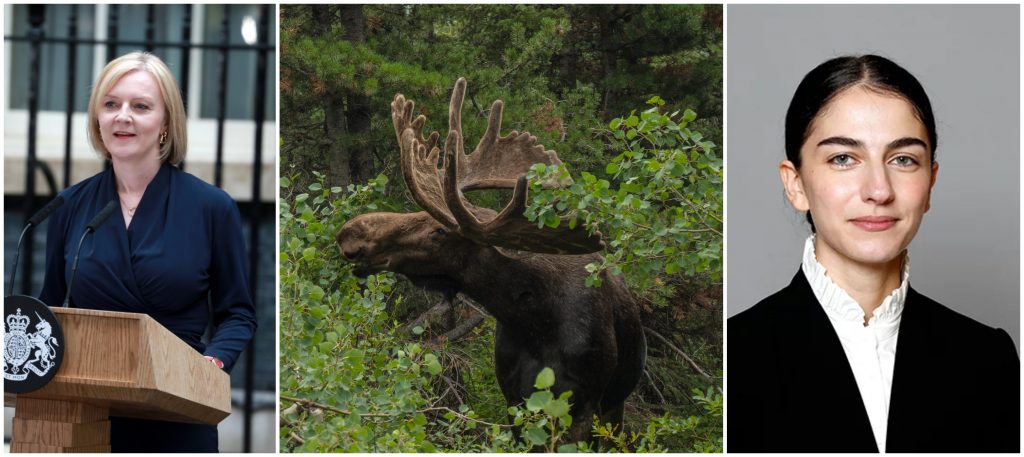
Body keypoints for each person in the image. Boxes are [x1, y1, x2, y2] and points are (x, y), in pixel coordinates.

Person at [727, 55, 1019, 453]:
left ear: (930, 182)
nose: (878, 190)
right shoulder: (734, 356)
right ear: (795, 184)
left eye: (903, 159)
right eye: (843, 159)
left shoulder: (988, 360)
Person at [39, 51, 257, 452]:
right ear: (97, 119)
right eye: (111, 104)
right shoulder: (69, 206)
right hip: (86, 413)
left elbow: (238, 314)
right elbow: (48, 311)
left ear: (165, 124)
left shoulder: (212, 208)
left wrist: (214, 361)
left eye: (140, 106)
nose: (123, 116)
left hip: (176, 407)